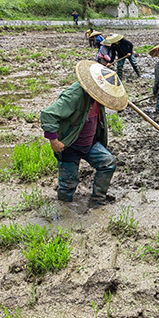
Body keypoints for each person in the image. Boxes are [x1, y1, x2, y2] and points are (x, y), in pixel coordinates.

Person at [40, 60, 127, 208]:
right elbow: (48, 115)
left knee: (108, 162)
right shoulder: (74, 95)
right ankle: (64, 210)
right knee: (68, 183)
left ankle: (97, 200)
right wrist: (54, 141)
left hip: (89, 142)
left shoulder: (99, 96)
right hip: (70, 145)